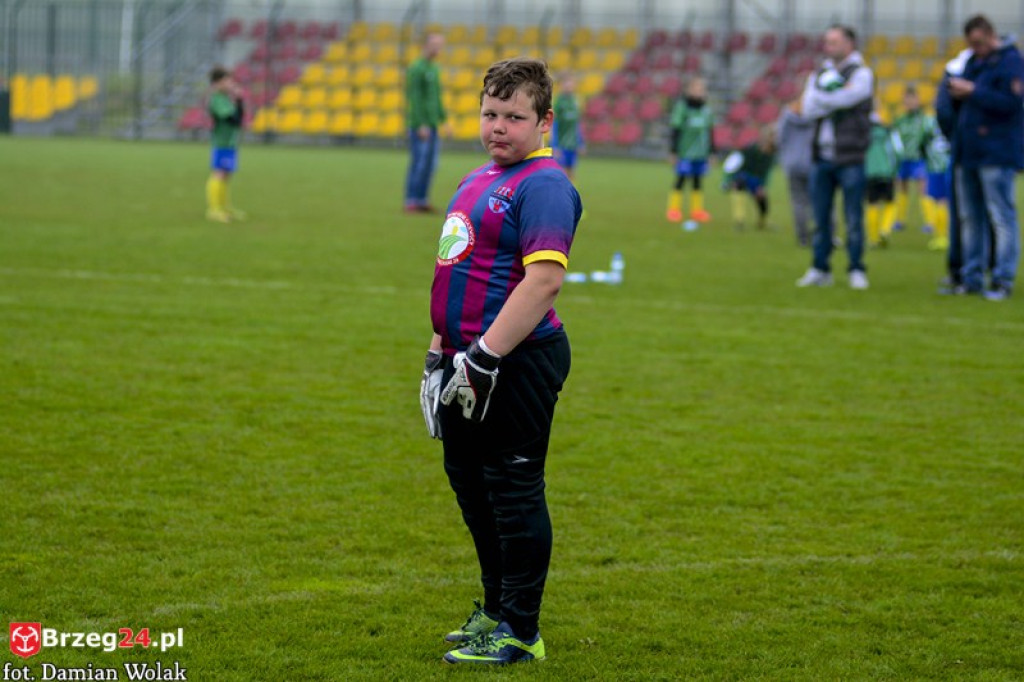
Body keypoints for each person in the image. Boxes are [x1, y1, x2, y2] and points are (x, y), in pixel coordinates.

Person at [419, 58, 582, 666]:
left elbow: (542, 282)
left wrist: (485, 355)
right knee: (472, 487)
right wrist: (438, 354)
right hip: (465, 361)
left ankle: (520, 629)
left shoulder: (544, 185)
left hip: (516, 360)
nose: (499, 127)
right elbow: (457, 271)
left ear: (544, 121)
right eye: (491, 114)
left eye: (515, 117)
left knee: (512, 491)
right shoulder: (478, 176)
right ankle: (494, 608)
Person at [943, 14, 1023, 300]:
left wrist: (974, 91)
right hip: (969, 151)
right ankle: (971, 277)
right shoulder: (973, 63)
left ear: (990, 34)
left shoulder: (1011, 62)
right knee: (970, 218)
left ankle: (1002, 279)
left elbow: (1011, 104)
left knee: (1001, 216)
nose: (975, 48)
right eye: (971, 44)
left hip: (997, 153)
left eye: (978, 42)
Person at [796, 24, 874, 290]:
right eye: (827, 41)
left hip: (851, 156)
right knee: (820, 218)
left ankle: (856, 268)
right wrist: (834, 97)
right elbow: (807, 108)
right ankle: (820, 268)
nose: (828, 47)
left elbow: (851, 97)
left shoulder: (862, 73)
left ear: (849, 43)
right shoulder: (820, 73)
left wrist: (823, 98)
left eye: (834, 41)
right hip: (822, 157)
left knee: (853, 217)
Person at [405, 32, 453, 213]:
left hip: (433, 124)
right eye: (435, 45)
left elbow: (436, 98)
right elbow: (415, 98)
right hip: (421, 125)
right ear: (426, 45)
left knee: (431, 164)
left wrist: (444, 121)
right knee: (419, 162)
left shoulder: (434, 69)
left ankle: (422, 199)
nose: (438, 49)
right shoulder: (417, 68)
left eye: (440, 45)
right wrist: (420, 123)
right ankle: (412, 199)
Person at [666, 77, 713, 224]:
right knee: (681, 179)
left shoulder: (706, 110)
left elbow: (710, 132)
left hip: (701, 153)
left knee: (697, 180)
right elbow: (676, 129)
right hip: (685, 152)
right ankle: (673, 209)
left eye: (701, 89)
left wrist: (712, 152)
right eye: (696, 88)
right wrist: (673, 151)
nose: (699, 92)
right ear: (689, 90)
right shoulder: (682, 108)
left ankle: (697, 211)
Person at [206, 66, 245, 223]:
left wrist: (239, 101)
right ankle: (214, 209)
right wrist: (238, 100)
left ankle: (224, 207)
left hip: (230, 142)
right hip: (222, 142)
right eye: (227, 80)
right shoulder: (216, 99)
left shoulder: (225, 98)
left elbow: (239, 120)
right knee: (219, 173)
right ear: (217, 83)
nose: (230, 83)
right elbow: (232, 119)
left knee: (227, 174)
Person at [777, 99, 816, 246]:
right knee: (817, 201)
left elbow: (780, 139)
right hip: (812, 163)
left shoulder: (787, 117)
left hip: (793, 164)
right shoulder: (815, 116)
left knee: (799, 202)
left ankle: (803, 238)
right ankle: (821, 234)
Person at [892, 86, 929, 231]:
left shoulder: (924, 119)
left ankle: (929, 221)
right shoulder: (900, 120)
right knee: (901, 188)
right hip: (903, 159)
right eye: (907, 100)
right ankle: (899, 220)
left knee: (923, 188)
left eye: (912, 99)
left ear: (918, 100)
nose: (909, 103)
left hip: (918, 158)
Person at [725, 126, 776, 231]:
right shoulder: (750, 149)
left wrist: (763, 186)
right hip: (745, 176)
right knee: (739, 187)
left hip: (757, 180)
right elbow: (736, 162)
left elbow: (766, 173)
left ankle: (763, 220)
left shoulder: (771, 155)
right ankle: (739, 221)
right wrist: (729, 180)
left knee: (761, 198)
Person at [863, 112, 901, 248]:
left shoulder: (863, 133)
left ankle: (873, 238)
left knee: (872, 203)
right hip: (886, 172)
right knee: (890, 202)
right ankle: (884, 230)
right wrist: (894, 170)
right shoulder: (888, 132)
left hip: (869, 172)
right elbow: (898, 151)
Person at [921, 117, 952, 251]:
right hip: (948, 165)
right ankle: (942, 236)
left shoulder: (930, 123)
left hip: (935, 166)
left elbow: (922, 143)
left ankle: (941, 236)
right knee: (943, 201)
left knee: (940, 201)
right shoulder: (952, 119)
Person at [551, 72, 584, 182]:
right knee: (562, 173)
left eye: (571, 82)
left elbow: (576, 124)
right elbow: (554, 124)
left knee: (572, 172)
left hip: (573, 144)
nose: (569, 85)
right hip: (562, 144)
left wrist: (580, 142)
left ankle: (571, 196)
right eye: (566, 83)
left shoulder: (575, 101)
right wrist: (555, 146)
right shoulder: (559, 102)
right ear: (561, 85)